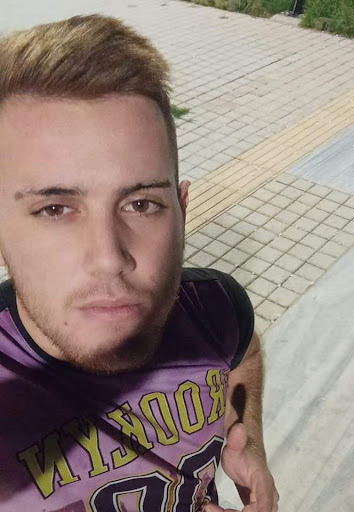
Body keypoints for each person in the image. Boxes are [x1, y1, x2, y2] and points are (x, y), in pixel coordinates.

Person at [0, 14, 278, 512]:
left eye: (141, 203)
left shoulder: (216, 308)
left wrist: (246, 435)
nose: (110, 259)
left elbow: (244, 353)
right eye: (55, 209)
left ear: (182, 211)